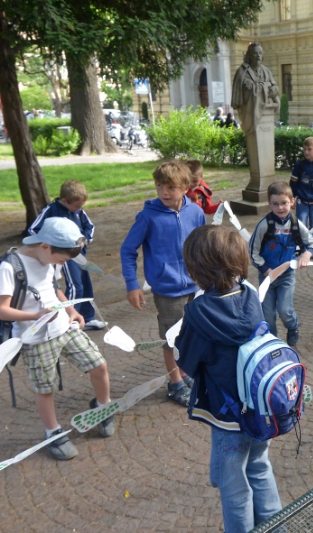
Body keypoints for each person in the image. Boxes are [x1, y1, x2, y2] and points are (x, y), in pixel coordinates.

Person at [176, 225, 282, 533]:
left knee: (234, 486)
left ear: (197, 268)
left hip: (228, 413)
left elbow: (187, 362)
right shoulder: (249, 294)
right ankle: (276, 527)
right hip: (260, 406)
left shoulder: (198, 311)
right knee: (259, 467)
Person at [0, 218, 114, 461]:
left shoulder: (51, 257)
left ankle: (103, 407)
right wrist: (35, 316)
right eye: (61, 260)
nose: (62, 264)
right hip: (35, 339)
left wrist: (72, 311)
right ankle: (53, 433)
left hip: (64, 327)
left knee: (99, 365)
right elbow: (2, 309)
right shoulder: (9, 267)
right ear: (44, 246)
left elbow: (54, 288)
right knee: (45, 387)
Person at [120, 160, 206, 406]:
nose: (164, 192)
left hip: (195, 286)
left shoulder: (196, 212)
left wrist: (209, 276)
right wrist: (132, 284)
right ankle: (175, 384)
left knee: (190, 334)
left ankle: (185, 373)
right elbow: (127, 250)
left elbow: (203, 244)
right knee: (171, 340)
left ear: (186, 188)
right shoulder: (148, 217)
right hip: (167, 290)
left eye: (171, 187)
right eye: (160, 186)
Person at [249, 181, 313, 346]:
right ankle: (272, 340)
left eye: (284, 203)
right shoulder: (264, 225)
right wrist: (265, 269)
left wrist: (307, 254)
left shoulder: (296, 224)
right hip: (267, 277)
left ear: (292, 202)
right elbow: (253, 252)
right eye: (275, 204)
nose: (280, 207)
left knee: (285, 310)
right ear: (269, 203)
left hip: (287, 275)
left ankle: (293, 326)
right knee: (267, 315)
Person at [28, 180, 106, 330]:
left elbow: (89, 226)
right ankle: (68, 319)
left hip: (80, 253)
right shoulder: (51, 210)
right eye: (76, 206)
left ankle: (87, 317)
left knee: (86, 284)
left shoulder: (79, 211)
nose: (79, 209)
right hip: (64, 255)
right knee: (75, 286)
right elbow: (33, 230)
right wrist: (53, 244)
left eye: (81, 206)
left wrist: (85, 239)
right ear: (64, 201)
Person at [231, 42, 279, 135]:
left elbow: (275, 88)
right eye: (255, 53)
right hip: (249, 112)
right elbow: (248, 88)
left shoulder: (266, 71)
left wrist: (270, 88)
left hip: (267, 111)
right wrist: (267, 86)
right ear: (249, 55)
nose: (258, 56)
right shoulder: (243, 72)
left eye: (260, 53)